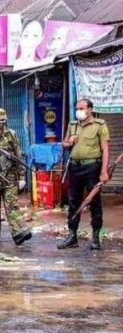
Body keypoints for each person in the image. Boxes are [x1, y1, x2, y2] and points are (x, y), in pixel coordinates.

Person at [58, 98, 110, 250]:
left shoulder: (99, 125)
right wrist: (70, 141)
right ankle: (72, 236)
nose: (78, 111)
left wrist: (104, 171)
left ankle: (95, 237)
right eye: (77, 108)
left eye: (81, 108)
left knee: (93, 202)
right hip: (74, 168)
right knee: (73, 201)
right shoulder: (73, 125)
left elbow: (105, 149)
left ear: (90, 109)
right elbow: (64, 144)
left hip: (92, 167)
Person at [0, 108, 33, 246]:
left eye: (3, 120)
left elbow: (18, 156)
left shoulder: (11, 134)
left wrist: (22, 176)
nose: (1, 123)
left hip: (10, 177)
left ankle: (19, 233)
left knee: (12, 205)